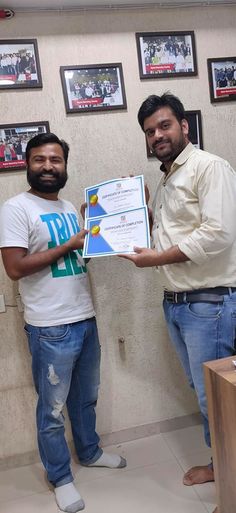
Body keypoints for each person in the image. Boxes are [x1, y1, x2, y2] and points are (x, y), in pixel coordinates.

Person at [0, 132, 126, 513]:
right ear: (28, 164)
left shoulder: (72, 208)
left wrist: (105, 235)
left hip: (84, 318)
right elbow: (14, 268)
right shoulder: (15, 208)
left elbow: (77, 263)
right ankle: (60, 477)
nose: (48, 167)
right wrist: (69, 245)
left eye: (55, 160)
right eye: (40, 160)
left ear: (65, 166)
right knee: (52, 411)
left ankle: (89, 452)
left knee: (86, 398)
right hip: (50, 327)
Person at [120, 93, 236, 489]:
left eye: (164, 125)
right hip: (179, 305)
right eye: (149, 131)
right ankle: (224, 467)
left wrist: (156, 260)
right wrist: (126, 214)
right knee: (206, 392)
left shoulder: (208, 167)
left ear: (184, 126)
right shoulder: (169, 177)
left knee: (215, 397)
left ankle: (227, 476)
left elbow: (218, 234)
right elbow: (173, 232)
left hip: (210, 303)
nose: (157, 135)